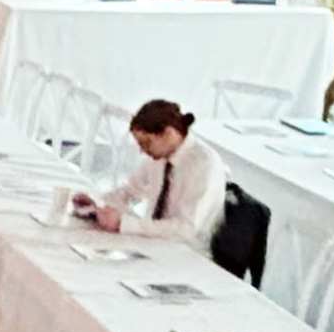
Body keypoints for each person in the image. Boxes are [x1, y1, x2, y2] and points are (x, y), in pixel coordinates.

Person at [71, 97, 225, 251]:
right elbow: (130, 191)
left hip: (189, 252)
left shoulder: (204, 165)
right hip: (153, 244)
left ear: (168, 133)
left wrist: (124, 224)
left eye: (146, 143)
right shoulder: (159, 156)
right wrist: (96, 204)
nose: (142, 151)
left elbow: (186, 229)